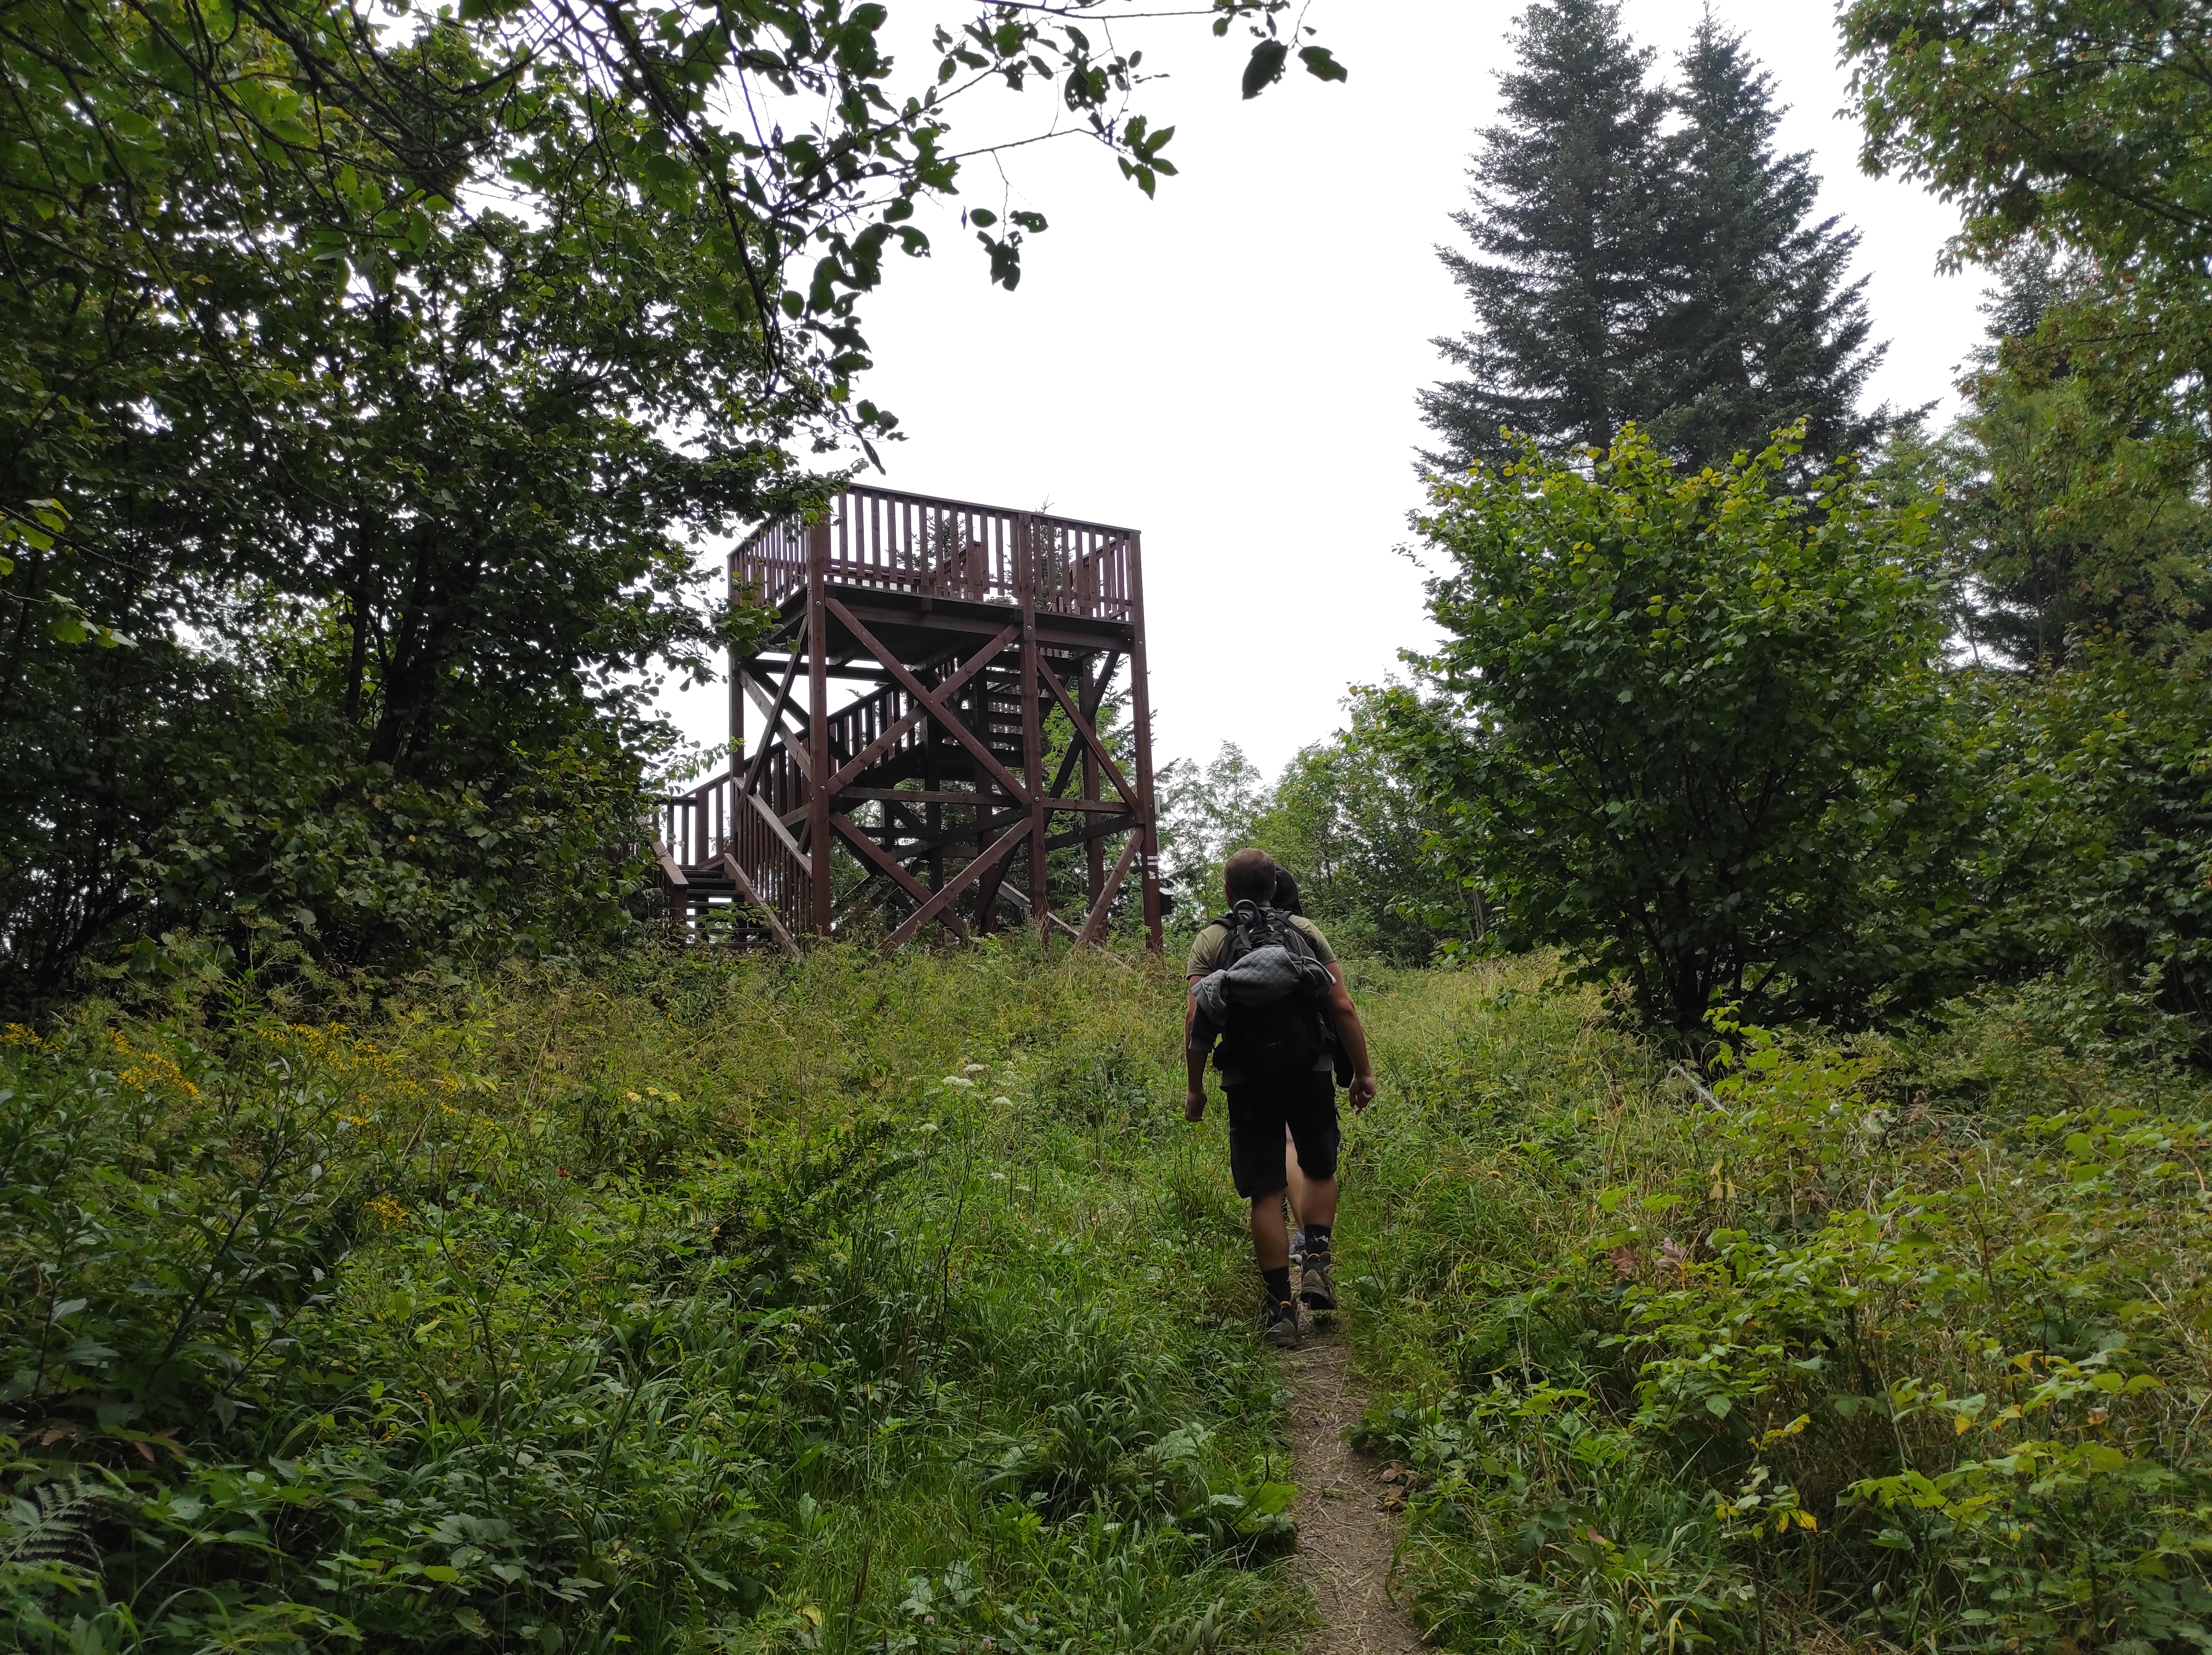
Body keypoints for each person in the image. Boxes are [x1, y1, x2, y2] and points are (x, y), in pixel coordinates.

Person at [1185, 848, 1378, 1349]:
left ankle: (1281, 1310)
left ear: (1228, 891)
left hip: (1247, 1078)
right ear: (1275, 885)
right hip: (1309, 1067)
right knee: (1318, 1169)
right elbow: (1341, 1005)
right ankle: (1314, 1261)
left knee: (1265, 1192)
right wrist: (1362, 1072)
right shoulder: (1305, 932)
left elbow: (1197, 1021)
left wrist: (1195, 1088)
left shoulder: (1211, 939)